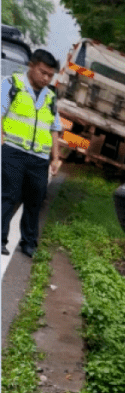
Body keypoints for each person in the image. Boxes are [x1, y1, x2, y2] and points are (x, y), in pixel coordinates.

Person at [1, 48, 62, 258]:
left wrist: (55, 157)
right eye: (43, 72)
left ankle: (28, 243)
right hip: (13, 150)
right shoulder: (12, 84)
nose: (46, 78)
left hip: (39, 158)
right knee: (8, 195)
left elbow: (54, 129)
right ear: (31, 66)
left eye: (50, 75)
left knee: (35, 200)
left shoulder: (51, 96)